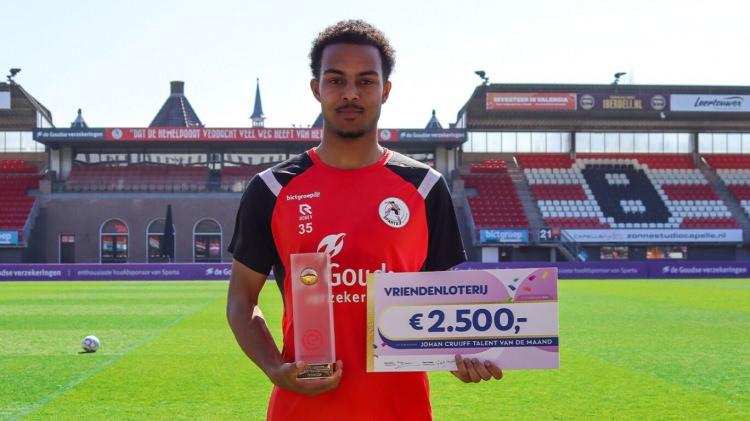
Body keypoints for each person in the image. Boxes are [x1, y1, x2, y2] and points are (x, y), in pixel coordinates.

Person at [226, 19, 502, 421]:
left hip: (401, 410)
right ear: (316, 88)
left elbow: (442, 311)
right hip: (302, 410)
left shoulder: (426, 188)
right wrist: (274, 367)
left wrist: (461, 355)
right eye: (336, 80)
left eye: (366, 81)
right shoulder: (270, 189)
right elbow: (241, 299)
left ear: (385, 90)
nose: (351, 93)